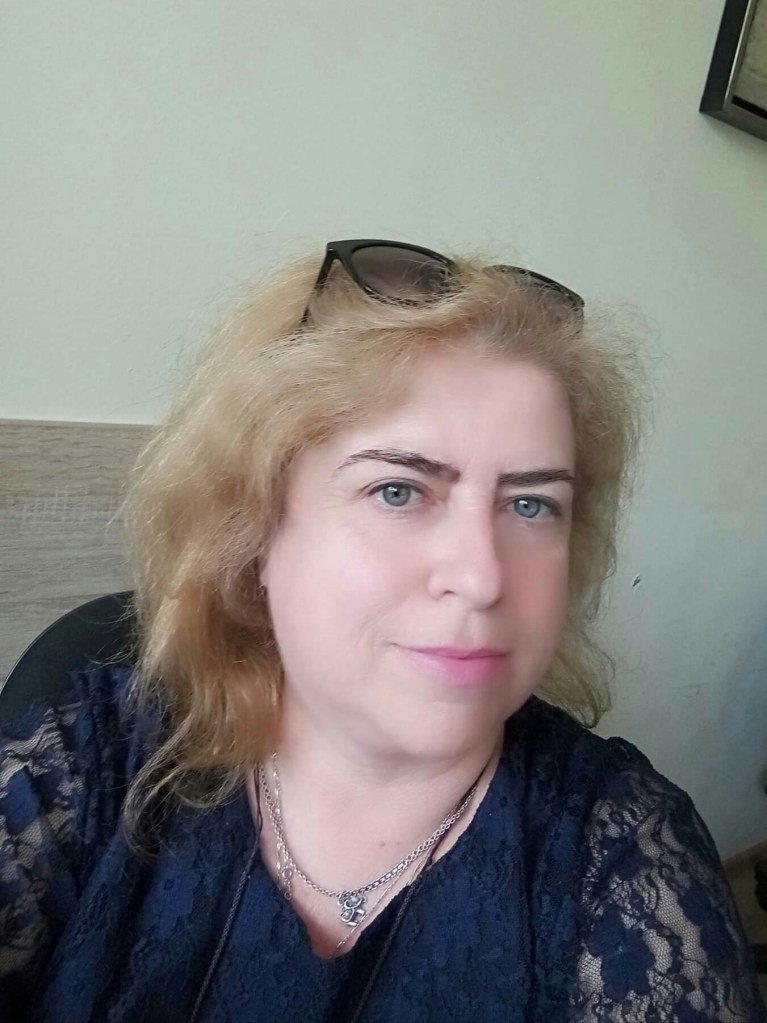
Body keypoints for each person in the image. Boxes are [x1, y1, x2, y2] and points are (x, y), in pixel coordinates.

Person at [0, 238, 763, 1022]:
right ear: (252, 532)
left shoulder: (625, 855)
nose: (482, 576)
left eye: (530, 504)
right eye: (397, 490)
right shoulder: (83, 766)